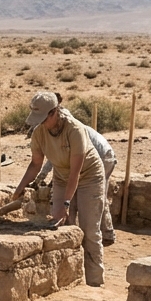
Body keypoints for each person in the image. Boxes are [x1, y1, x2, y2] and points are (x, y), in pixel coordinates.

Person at [12, 92, 107, 286]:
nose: (40, 123)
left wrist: (66, 202)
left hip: (89, 176)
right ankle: (69, 281)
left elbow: (76, 171)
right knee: (59, 225)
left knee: (89, 230)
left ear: (55, 112)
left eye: (44, 118)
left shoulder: (75, 129)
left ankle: (95, 282)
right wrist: (19, 188)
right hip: (62, 177)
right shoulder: (39, 132)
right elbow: (35, 164)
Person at [34, 94, 119, 245]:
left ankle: (107, 233)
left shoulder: (72, 130)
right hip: (89, 159)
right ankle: (73, 233)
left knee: (97, 197)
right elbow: (55, 159)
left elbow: (62, 164)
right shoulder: (56, 129)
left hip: (103, 157)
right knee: (75, 196)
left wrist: (41, 177)